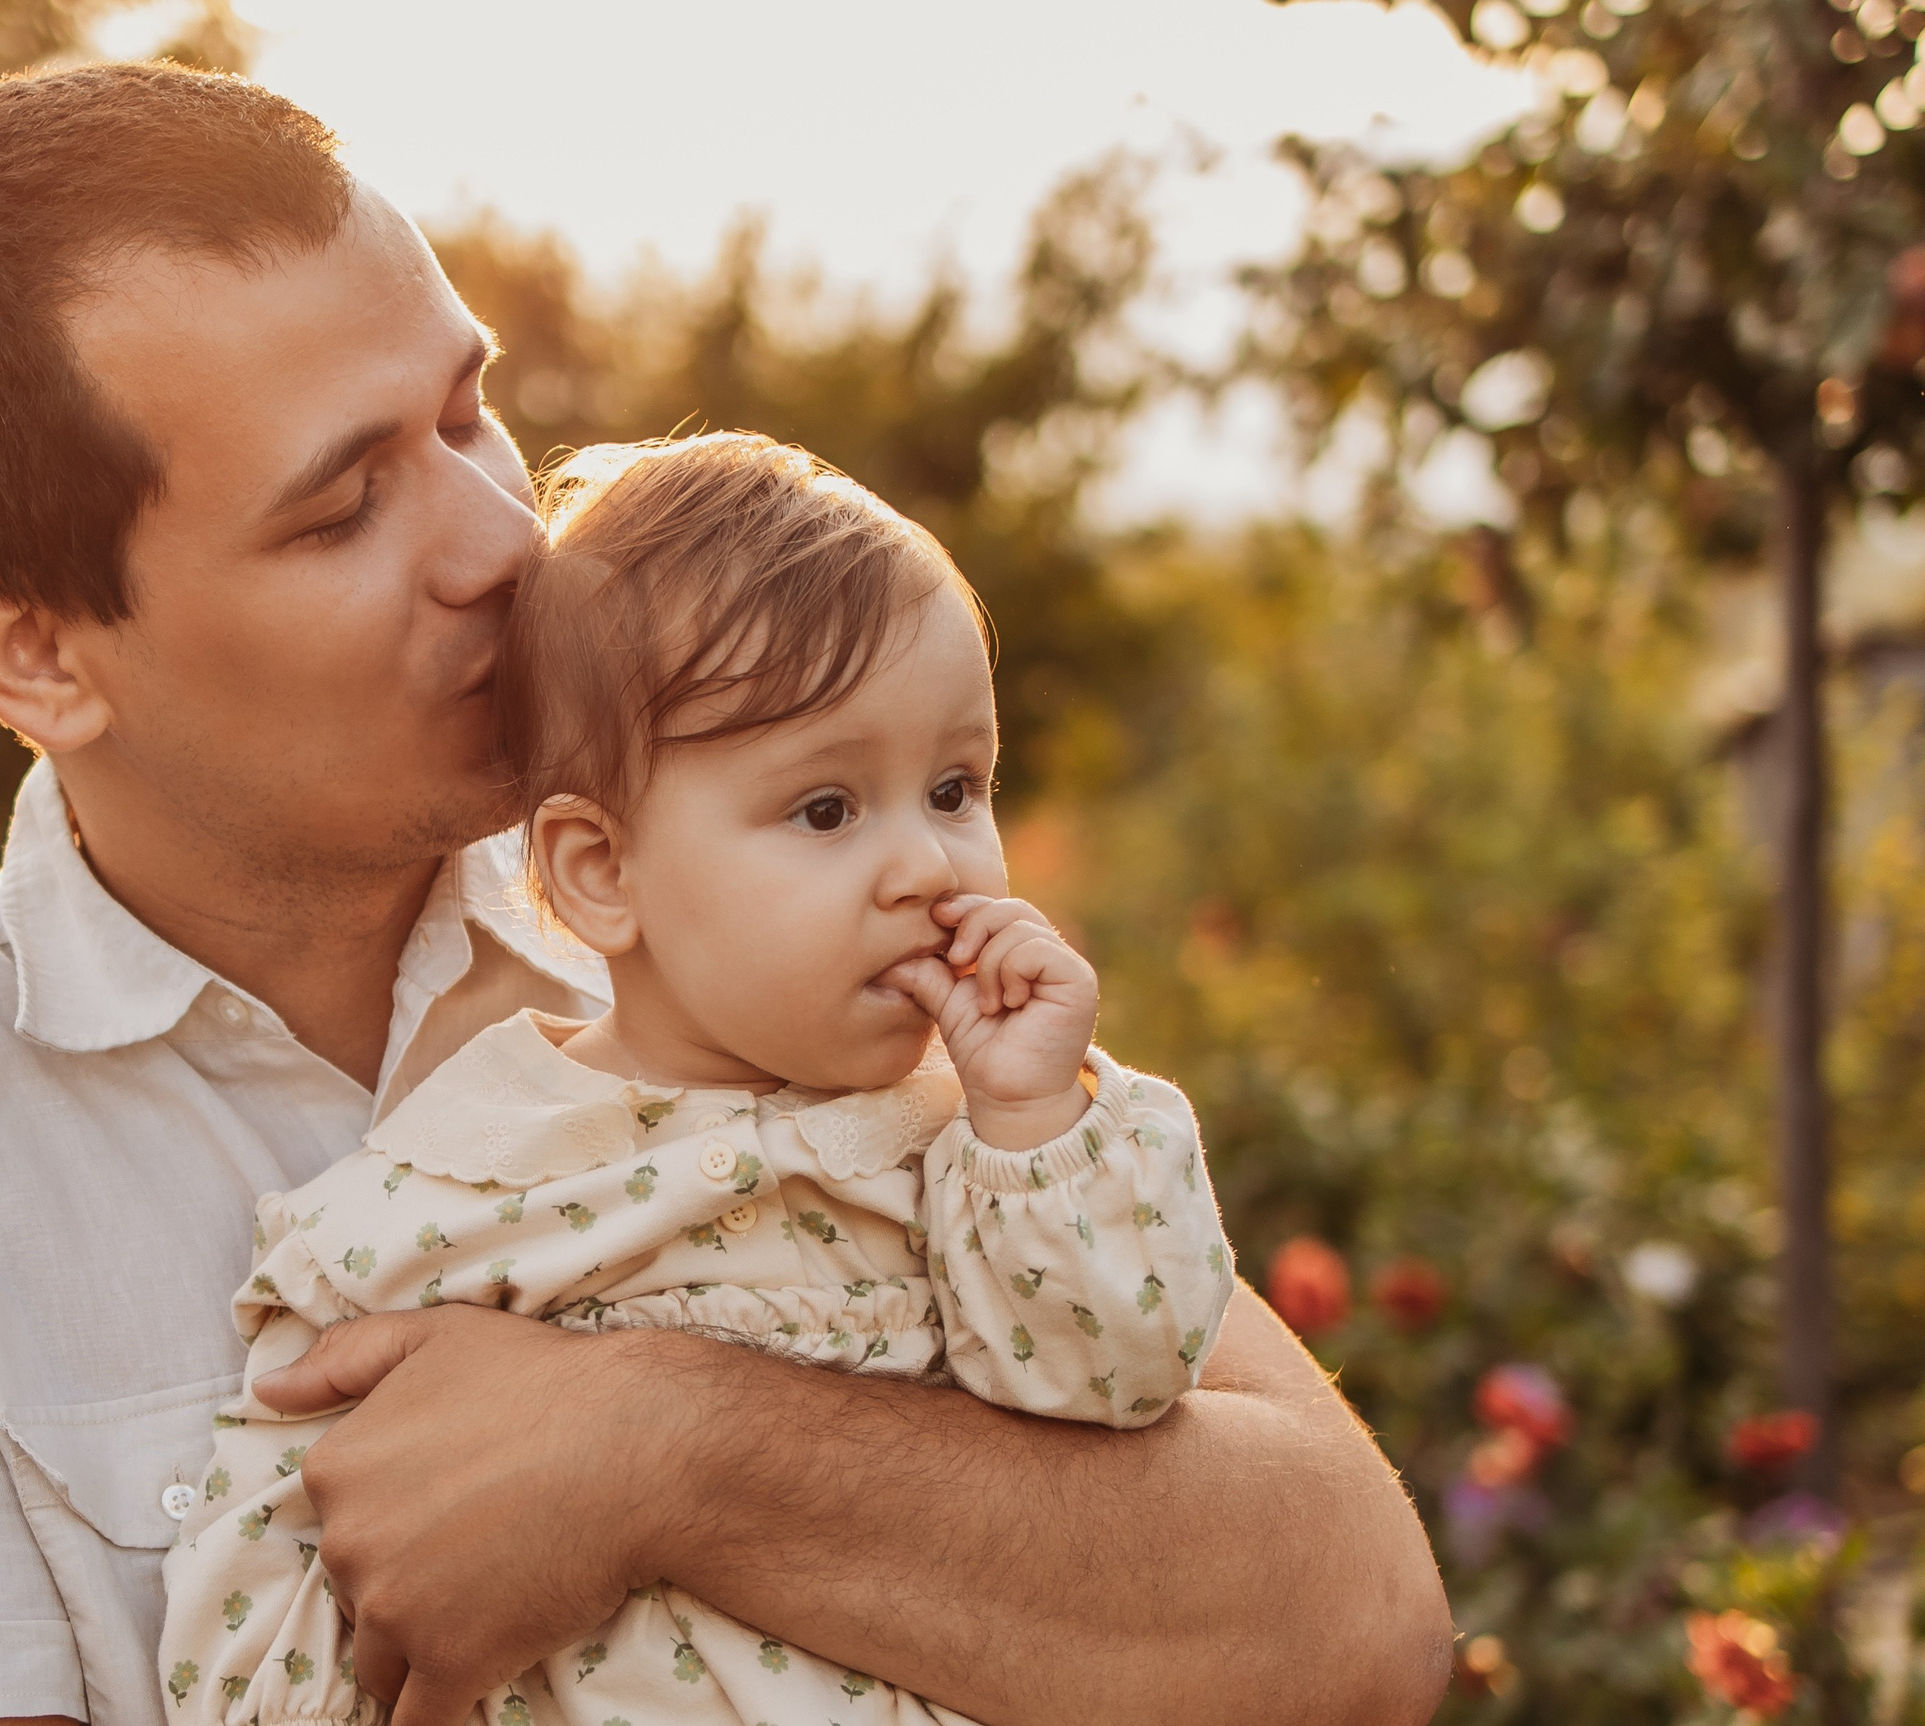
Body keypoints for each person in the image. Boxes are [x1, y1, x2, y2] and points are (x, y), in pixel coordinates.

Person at [0, 60, 1452, 1726]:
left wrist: (669, 1449)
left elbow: (1356, 1624)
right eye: (344, 505)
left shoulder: (760, 896)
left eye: (467, 411)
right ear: (39, 651)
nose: (503, 539)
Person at [156, 432, 1238, 1725]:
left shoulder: (981, 1145)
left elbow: (1121, 1377)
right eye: (828, 809)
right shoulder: (448, 1186)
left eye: (956, 787)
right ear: (602, 871)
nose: (930, 868)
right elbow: (265, 1559)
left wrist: (1032, 1121)